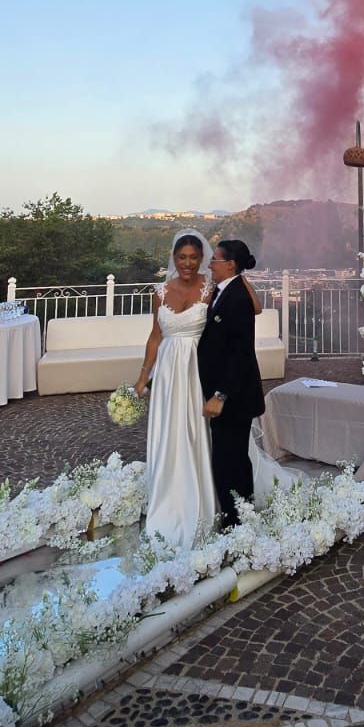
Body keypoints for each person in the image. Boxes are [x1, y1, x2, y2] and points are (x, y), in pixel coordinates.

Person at [134, 230, 218, 549]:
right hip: (168, 372)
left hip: (198, 368)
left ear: (202, 259)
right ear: (174, 258)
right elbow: (155, 336)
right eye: (181, 257)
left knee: (196, 431)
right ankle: (167, 497)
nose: (187, 263)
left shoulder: (210, 289)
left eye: (193, 257)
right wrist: (144, 375)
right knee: (169, 432)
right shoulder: (160, 291)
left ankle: (200, 496)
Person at [198, 238, 265, 528]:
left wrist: (220, 395)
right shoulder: (224, 290)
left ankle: (236, 522)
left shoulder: (236, 297)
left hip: (235, 396)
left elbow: (240, 353)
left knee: (229, 462)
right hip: (229, 392)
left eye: (214, 260)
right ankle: (239, 515)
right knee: (232, 458)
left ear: (230, 265)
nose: (210, 264)